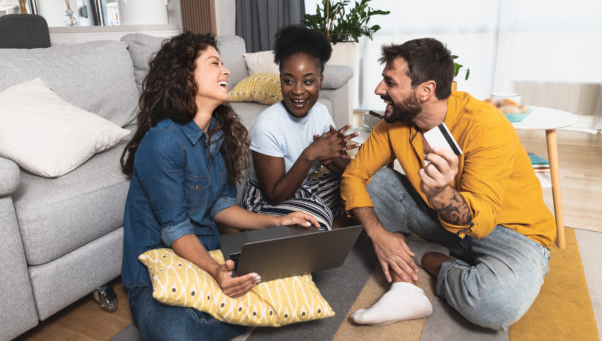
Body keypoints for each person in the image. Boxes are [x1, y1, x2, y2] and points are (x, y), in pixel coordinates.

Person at [340, 38, 556, 330]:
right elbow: (354, 176)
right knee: (374, 181)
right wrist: (377, 233)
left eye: (390, 83)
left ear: (426, 90)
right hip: (440, 223)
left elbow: (482, 223)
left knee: (496, 305)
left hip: (512, 234)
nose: (379, 89)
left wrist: (442, 195)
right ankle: (405, 289)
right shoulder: (395, 122)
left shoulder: (486, 126)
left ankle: (431, 259)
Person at [120, 32, 320, 341]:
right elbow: (175, 229)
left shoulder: (216, 132)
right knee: (178, 333)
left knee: (300, 271)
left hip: (210, 256)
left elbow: (220, 205)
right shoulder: (162, 142)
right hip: (158, 270)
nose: (226, 71)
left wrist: (278, 220)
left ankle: (239, 308)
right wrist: (216, 274)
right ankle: (248, 314)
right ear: (185, 76)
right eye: (215, 64)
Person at [243, 25, 357, 230]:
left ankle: (327, 227)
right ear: (280, 80)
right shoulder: (267, 125)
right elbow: (275, 195)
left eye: (308, 82)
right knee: (314, 218)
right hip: (265, 202)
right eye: (288, 81)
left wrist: (339, 157)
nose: (297, 91)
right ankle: (330, 227)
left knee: (358, 189)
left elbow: (336, 167)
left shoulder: (320, 112)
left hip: (305, 187)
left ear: (320, 81)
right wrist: (309, 155)